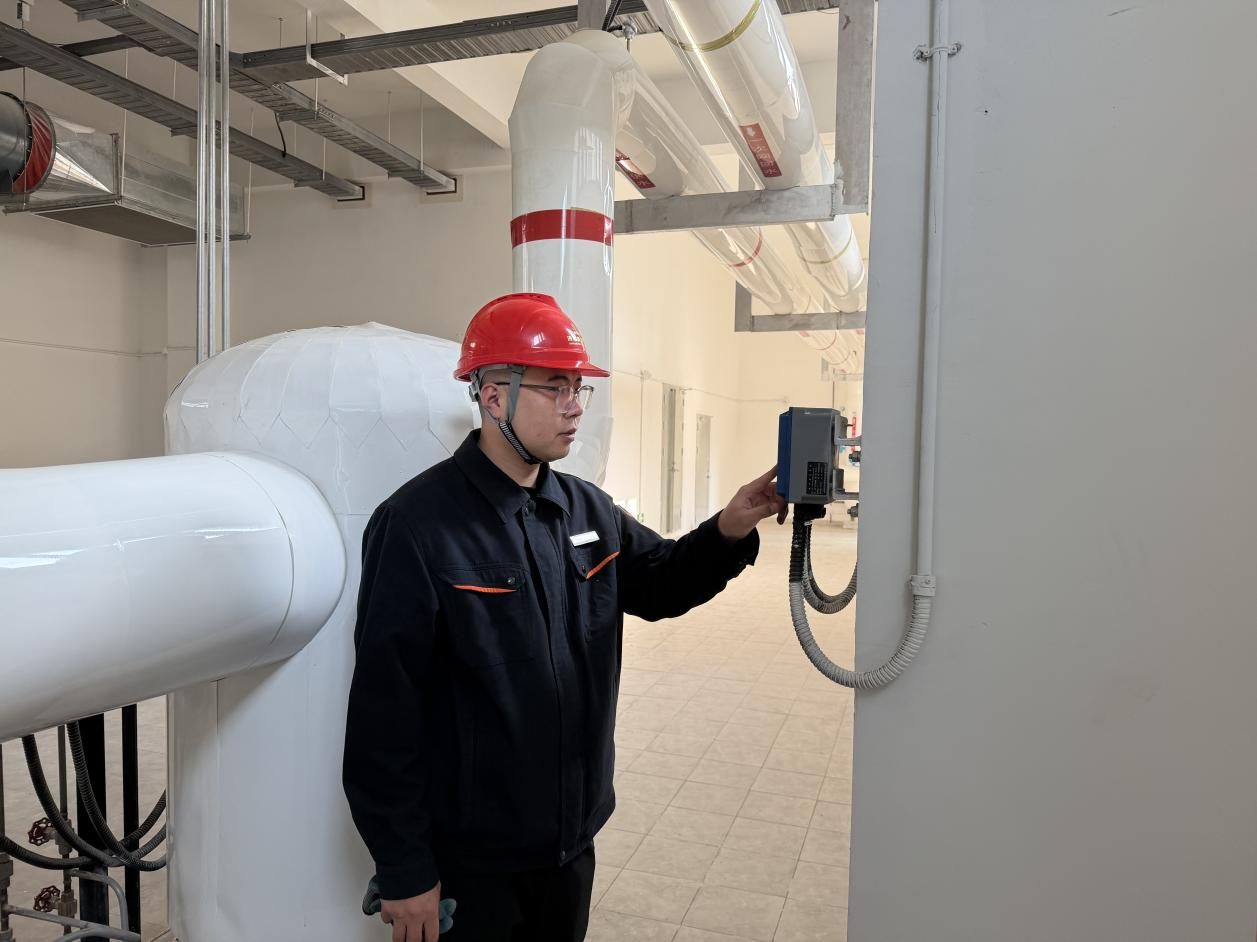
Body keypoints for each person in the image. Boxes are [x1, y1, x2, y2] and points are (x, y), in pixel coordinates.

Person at [343, 292, 787, 941]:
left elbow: (660, 583)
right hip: (473, 860)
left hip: (571, 839)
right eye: (555, 387)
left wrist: (729, 527)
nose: (575, 405)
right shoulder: (416, 526)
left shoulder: (587, 510)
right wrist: (404, 866)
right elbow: (384, 713)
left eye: (578, 388)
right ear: (492, 396)